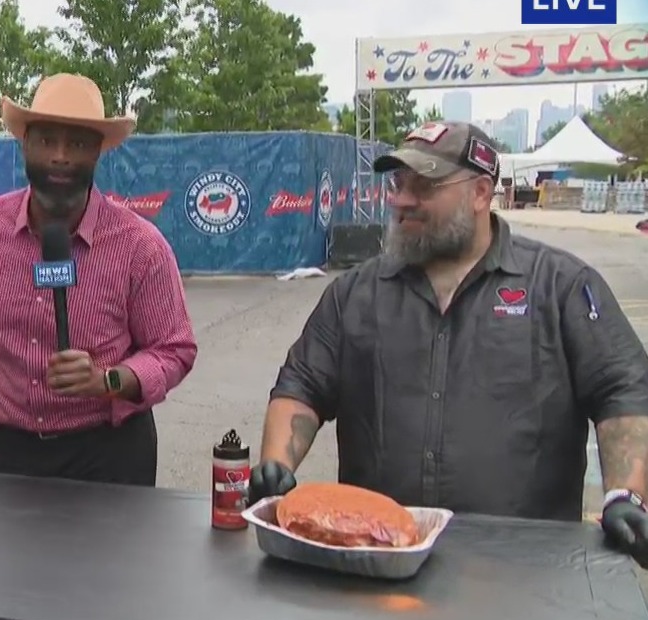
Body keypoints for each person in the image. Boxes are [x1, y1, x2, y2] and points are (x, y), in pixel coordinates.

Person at [248, 120, 648, 566]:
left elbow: (622, 390)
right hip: (379, 559)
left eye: (424, 185)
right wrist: (277, 466)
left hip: (526, 573)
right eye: (399, 183)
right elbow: (302, 386)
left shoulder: (561, 287)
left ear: (480, 193)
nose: (401, 199)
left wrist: (624, 494)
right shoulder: (357, 293)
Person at [0, 73, 198, 620]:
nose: (60, 156)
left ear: (99, 151)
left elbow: (176, 349)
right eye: (47, 139)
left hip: (105, 456)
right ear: (23, 143)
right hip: (5, 452)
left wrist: (111, 379)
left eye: (77, 143)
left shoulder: (140, 245)